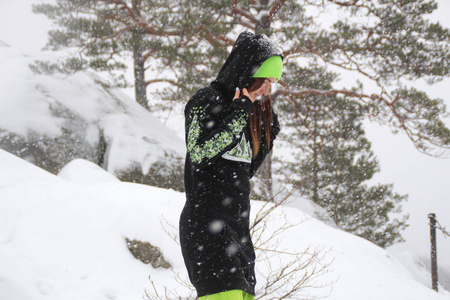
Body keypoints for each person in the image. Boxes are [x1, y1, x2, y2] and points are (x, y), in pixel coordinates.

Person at [179, 31, 283, 300]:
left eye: (271, 83)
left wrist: (267, 132)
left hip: (239, 237)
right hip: (208, 233)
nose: (266, 90)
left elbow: (241, 174)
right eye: (264, 81)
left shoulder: (247, 113)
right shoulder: (206, 101)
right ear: (248, 73)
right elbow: (200, 154)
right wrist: (239, 114)